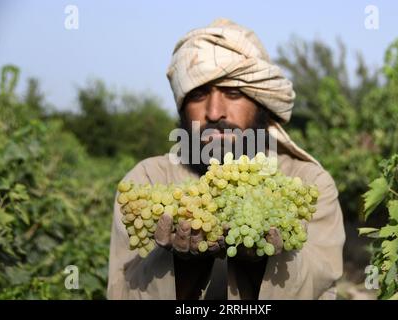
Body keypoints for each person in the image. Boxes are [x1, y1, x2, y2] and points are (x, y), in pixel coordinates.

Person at [107, 18, 345, 300]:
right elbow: (122, 292)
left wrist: (259, 264)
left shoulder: (309, 185)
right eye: (198, 94)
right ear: (183, 109)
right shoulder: (146, 181)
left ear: (262, 105)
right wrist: (183, 266)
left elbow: (318, 286)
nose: (214, 111)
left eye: (233, 93)